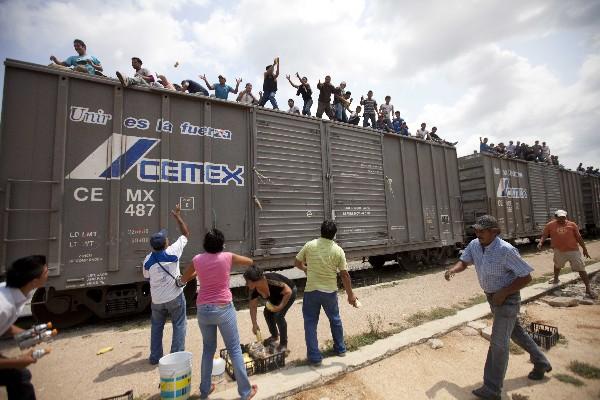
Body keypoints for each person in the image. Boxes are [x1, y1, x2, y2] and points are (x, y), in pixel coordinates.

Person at [445, 215, 552, 400]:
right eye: (476, 230)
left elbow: (526, 277)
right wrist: (454, 269)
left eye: (482, 231)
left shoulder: (506, 250)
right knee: (517, 333)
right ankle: (541, 362)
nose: (478, 234)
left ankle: (492, 389)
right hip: (493, 299)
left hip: (507, 300)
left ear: (494, 232)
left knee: (498, 343)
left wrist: (504, 292)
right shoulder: (474, 245)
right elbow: (465, 261)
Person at [179, 229, 258, 399]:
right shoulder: (227, 257)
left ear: (205, 245)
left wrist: (198, 272)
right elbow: (250, 261)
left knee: (208, 350)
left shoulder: (197, 260)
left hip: (203, 310)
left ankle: (205, 389)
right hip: (223, 308)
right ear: (222, 244)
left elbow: (184, 279)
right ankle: (245, 392)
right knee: (234, 349)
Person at [294, 220, 358, 366]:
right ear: (334, 234)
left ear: (320, 231)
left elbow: (297, 262)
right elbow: (344, 275)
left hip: (311, 291)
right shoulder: (338, 250)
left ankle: (314, 357)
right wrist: (350, 295)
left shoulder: (310, 245)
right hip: (329, 292)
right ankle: (340, 349)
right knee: (335, 319)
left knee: (310, 322)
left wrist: (305, 269)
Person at [142, 205, 190, 365]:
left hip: (157, 300)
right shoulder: (173, 252)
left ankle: (155, 357)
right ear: (165, 243)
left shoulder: (147, 260)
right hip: (175, 297)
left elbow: (146, 276)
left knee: (156, 327)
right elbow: (185, 234)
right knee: (179, 324)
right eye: (166, 238)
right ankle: (175, 357)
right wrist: (177, 217)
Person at [0, 255, 49, 400]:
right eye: (46, 272)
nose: (48, 273)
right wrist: (18, 361)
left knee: (18, 376)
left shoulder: (12, 293)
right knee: (19, 374)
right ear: (34, 282)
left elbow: (3, 325)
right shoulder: (3, 306)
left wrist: (26, 334)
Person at [538, 210, 597, 299]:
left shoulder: (572, 225)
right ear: (555, 217)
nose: (562, 219)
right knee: (557, 265)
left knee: (581, 268)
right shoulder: (550, 225)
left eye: (563, 217)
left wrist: (584, 249)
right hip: (559, 250)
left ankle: (588, 288)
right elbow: (545, 235)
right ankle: (556, 279)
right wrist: (540, 242)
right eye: (560, 217)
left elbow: (579, 237)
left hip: (573, 250)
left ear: (566, 217)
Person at [244, 265, 297, 353]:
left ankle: (284, 344)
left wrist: (280, 307)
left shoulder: (271, 281)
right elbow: (253, 306)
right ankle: (274, 335)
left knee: (278, 316)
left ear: (257, 280)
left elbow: (288, 292)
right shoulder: (252, 289)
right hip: (276, 296)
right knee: (267, 312)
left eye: (247, 281)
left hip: (289, 293)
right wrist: (254, 324)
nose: (246, 284)